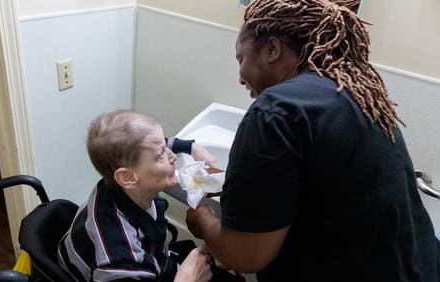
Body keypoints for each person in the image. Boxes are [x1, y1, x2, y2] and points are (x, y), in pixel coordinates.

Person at [186, 0, 440, 281]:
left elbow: (246, 255)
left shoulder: (276, 109)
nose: (240, 77)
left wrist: (202, 220)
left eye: (241, 59)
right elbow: (326, 185)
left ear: (272, 49)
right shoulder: (354, 91)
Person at [57, 110, 214, 281]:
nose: (173, 156)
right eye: (161, 154)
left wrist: (191, 147)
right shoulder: (117, 255)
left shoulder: (127, 185)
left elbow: (159, 143)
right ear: (128, 177)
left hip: (154, 260)